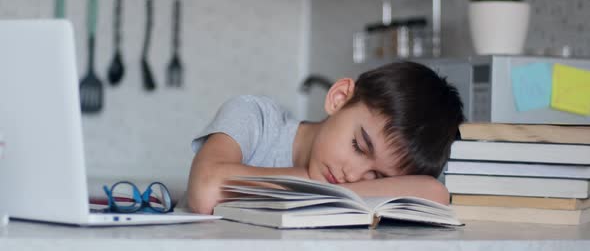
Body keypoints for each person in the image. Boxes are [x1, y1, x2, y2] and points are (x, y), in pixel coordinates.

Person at [186, 61, 465, 215]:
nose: (353, 176)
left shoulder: (352, 175)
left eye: (379, 178)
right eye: (358, 146)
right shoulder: (254, 116)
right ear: (339, 98)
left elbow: (434, 192)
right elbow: (206, 189)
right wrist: (326, 191)